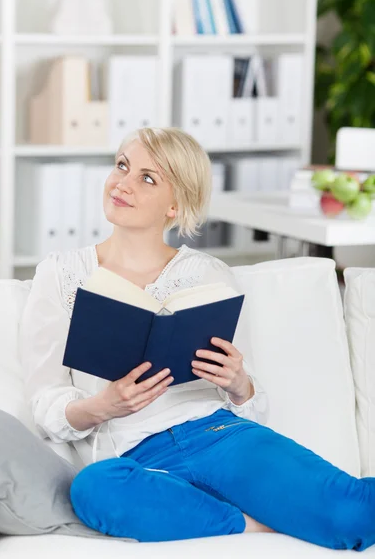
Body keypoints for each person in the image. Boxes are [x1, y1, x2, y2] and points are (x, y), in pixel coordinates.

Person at [20, 127, 375, 551]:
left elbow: (249, 401)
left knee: (351, 513)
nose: (122, 183)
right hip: (136, 460)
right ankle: (250, 523)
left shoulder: (207, 274)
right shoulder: (61, 273)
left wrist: (239, 383)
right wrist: (102, 405)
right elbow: (45, 402)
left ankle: (224, 511)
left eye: (147, 178)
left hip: (221, 434)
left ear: (176, 204)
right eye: (121, 166)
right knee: (93, 490)